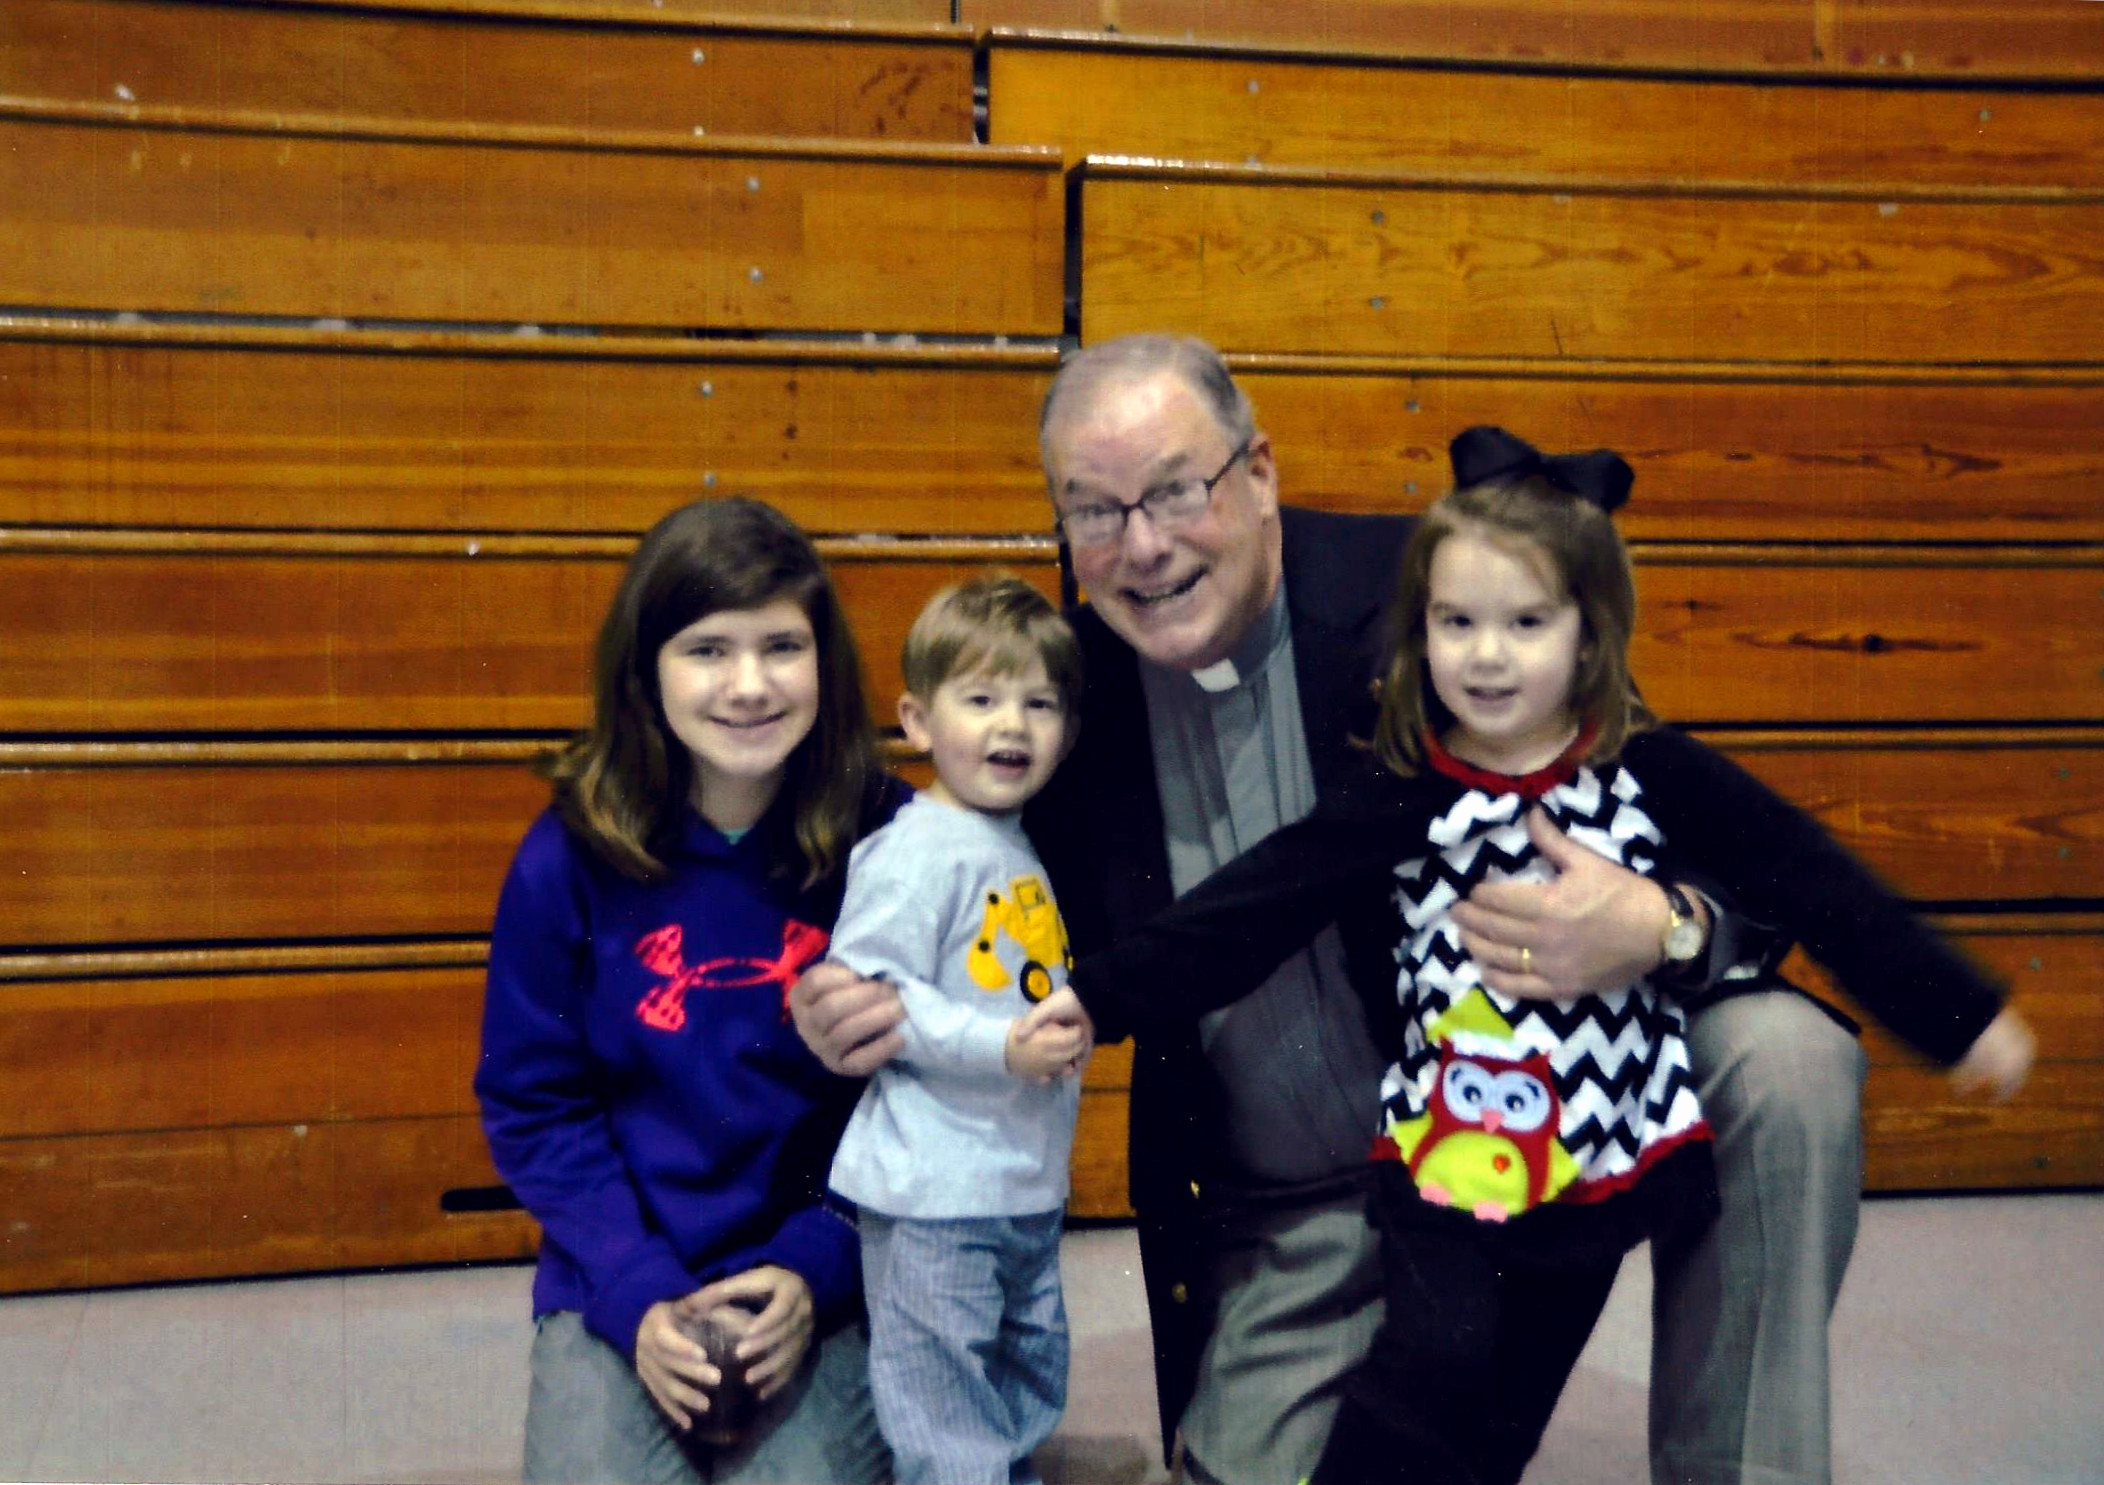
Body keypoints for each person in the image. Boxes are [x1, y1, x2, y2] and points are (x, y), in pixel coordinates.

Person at [792, 334, 1850, 1485]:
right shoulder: (1055, 698)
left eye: (1174, 492)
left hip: (1529, 1111)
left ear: (1259, 474)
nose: (1139, 547)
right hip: (1287, 1214)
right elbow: (927, 861)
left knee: (1778, 1057)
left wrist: (1664, 923)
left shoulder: (1446, 597)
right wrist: (832, 984)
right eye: (1092, 512)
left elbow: (1733, 854)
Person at [1022, 426, 2035, 1484]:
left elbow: (1812, 881)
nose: (1488, 654)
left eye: (1524, 624)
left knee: (1534, 1343)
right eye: (1457, 624)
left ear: (1589, 639)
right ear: (1418, 633)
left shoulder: (1648, 768)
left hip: (1606, 1139)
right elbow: (1253, 905)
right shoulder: (1411, 783)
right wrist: (1095, 997)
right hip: (1456, 1142)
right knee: (1436, 1372)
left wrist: (1956, 1013)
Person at [476, 497, 900, 1485]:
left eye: (781, 647)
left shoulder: (895, 843)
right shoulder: (565, 857)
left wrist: (821, 1259)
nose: (749, 686)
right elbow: (534, 1103)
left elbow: (921, 1098)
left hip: (827, 1264)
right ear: (645, 672)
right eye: (707, 649)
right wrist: (634, 1290)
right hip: (622, 1270)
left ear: (824, 664)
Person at [825, 574, 1093, 1485]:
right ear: (918, 719)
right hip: (934, 1186)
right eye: (980, 699)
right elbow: (875, 991)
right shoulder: (915, 847)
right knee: (939, 1392)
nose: (1011, 725)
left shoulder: (1012, 842)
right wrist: (1001, 1048)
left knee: (1021, 1372)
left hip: (1017, 1176)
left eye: (1038, 703)